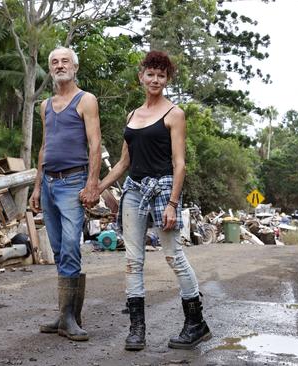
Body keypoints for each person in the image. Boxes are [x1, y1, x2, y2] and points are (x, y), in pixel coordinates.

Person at [95, 50, 211, 351]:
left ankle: (196, 323)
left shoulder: (175, 114)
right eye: (151, 74)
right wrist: (97, 188)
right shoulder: (132, 115)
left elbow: (180, 163)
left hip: (163, 190)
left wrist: (173, 203)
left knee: (174, 255)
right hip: (133, 190)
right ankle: (137, 330)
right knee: (133, 261)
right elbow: (122, 164)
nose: (155, 79)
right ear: (141, 76)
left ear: (167, 79)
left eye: (161, 75)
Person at [29, 47, 102, 342]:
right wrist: (36, 187)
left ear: (75, 66)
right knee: (59, 250)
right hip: (48, 184)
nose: (60, 65)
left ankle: (70, 317)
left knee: (71, 246)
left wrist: (93, 184)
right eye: (55, 62)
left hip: (74, 182)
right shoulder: (46, 105)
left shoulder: (86, 100)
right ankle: (66, 314)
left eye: (65, 61)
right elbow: (44, 147)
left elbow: (95, 144)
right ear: (50, 69)